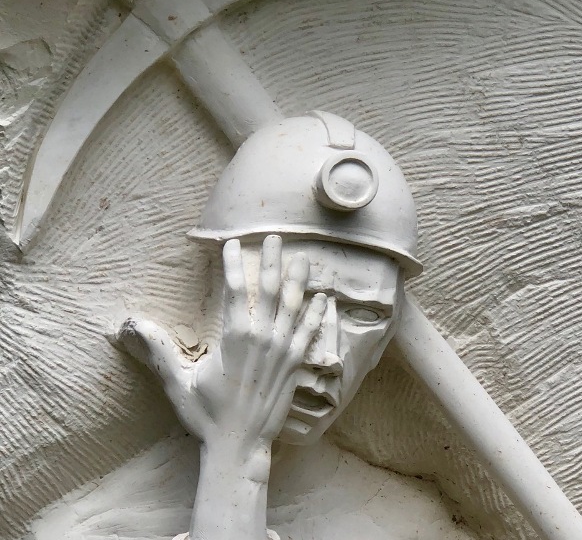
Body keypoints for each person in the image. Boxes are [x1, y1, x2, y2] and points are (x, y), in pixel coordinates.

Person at [114, 112, 474, 540]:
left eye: (364, 316)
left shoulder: (415, 528)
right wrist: (235, 457)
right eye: (290, 304)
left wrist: (236, 454)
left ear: (383, 344)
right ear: (217, 304)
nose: (326, 356)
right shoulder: (100, 527)